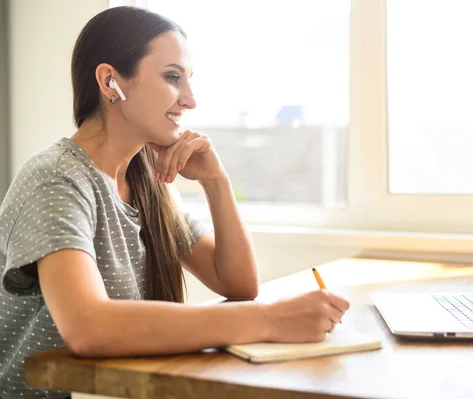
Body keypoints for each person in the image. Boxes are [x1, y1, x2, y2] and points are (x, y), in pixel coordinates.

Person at [0, 6, 350, 399]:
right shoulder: (57, 177)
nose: (190, 100)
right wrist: (268, 320)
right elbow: (88, 328)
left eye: (189, 80)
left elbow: (237, 282)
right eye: (172, 77)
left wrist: (217, 182)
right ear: (110, 81)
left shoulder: (146, 181)